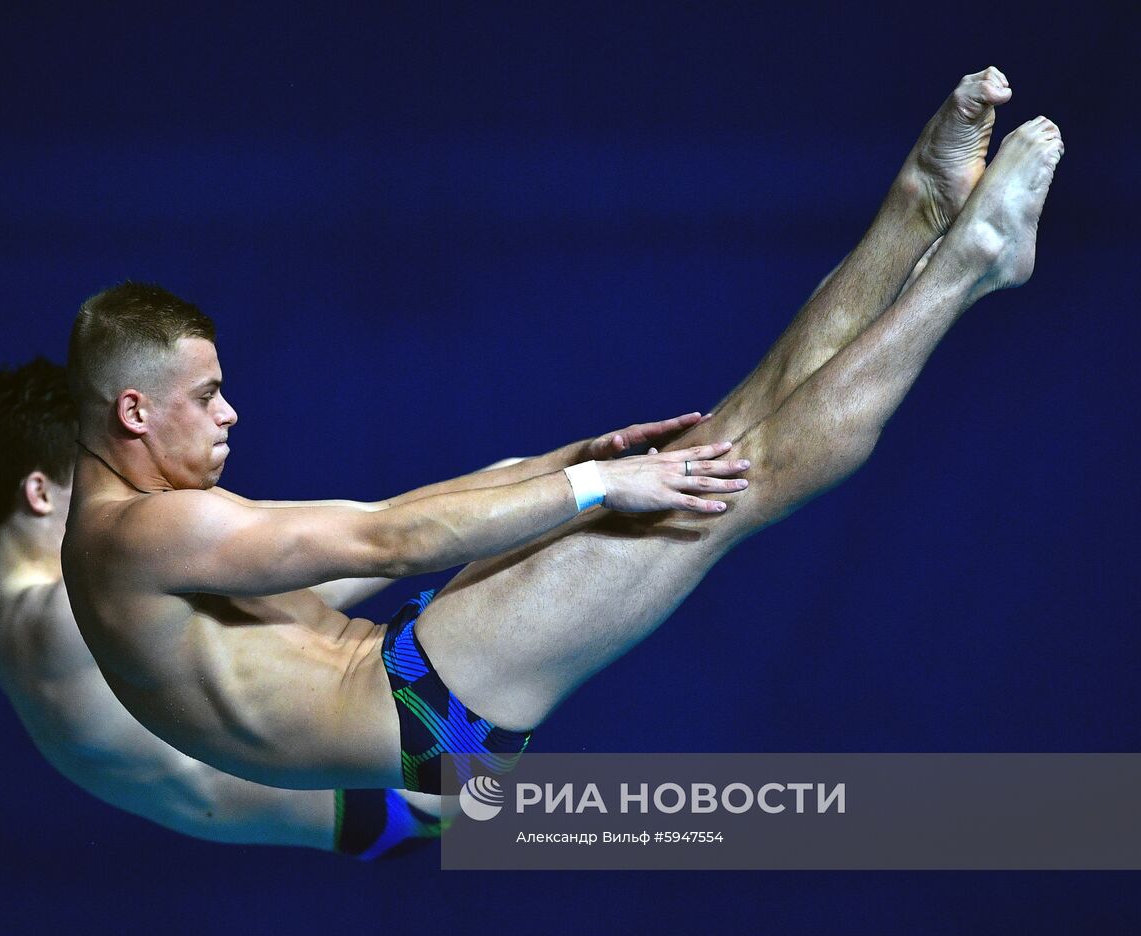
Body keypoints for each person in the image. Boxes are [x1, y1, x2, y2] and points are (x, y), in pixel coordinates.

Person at [61, 69, 1063, 793]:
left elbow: (379, 527)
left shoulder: (138, 540)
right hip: (426, 718)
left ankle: (915, 209)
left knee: (712, 445)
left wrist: (561, 462)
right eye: (207, 394)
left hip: (416, 677)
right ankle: (968, 263)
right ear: (134, 410)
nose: (230, 412)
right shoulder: (142, 533)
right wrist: (595, 492)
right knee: (733, 485)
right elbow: (386, 542)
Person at [0, 358, 453, 859]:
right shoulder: (60, 618)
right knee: (527, 554)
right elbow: (318, 576)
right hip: (388, 786)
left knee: (535, 843)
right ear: (40, 492)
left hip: (355, 810)